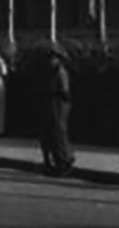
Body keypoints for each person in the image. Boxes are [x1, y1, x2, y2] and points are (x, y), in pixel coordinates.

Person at [41, 43, 74, 176]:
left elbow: (64, 91)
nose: (51, 61)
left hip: (60, 103)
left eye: (53, 58)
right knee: (53, 133)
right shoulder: (52, 71)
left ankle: (65, 159)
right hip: (53, 103)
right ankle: (58, 160)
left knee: (59, 131)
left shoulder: (61, 72)